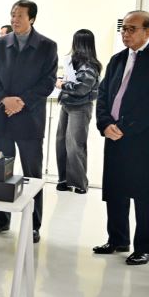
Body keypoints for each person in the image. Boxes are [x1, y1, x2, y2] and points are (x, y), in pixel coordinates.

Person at [93, 10, 149, 265]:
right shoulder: (117, 59)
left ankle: (145, 247)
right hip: (115, 135)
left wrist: (125, 127)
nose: (125, 34)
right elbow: (103, 94)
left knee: (146, 193)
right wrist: (105, 124)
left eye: (132, 29)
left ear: (148, 31)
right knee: (116, 189)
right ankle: (118, 239)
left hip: (147, 138)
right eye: (124, 29)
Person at [0, 0, 57, 243]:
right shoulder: (0, 43)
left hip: (29, 118)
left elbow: (48, 82)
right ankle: (1, 219)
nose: (14, 20)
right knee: (0, 171)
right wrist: (4, 100)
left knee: (32, 174)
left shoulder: (47, 46)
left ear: (32, 19)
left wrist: (22, 102)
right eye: (12, 15)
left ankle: (34, 224)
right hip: (3, 115)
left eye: (20, 16)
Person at [54, 29, 102, 195]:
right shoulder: (74, 62)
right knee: (61, 143)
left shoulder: (89, 65)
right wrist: (64, 81)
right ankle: (64, 180)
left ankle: (80, 183)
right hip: (67, 104)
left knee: (75, 145)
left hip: (80, 107)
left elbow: (81, 88)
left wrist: (62, 84)